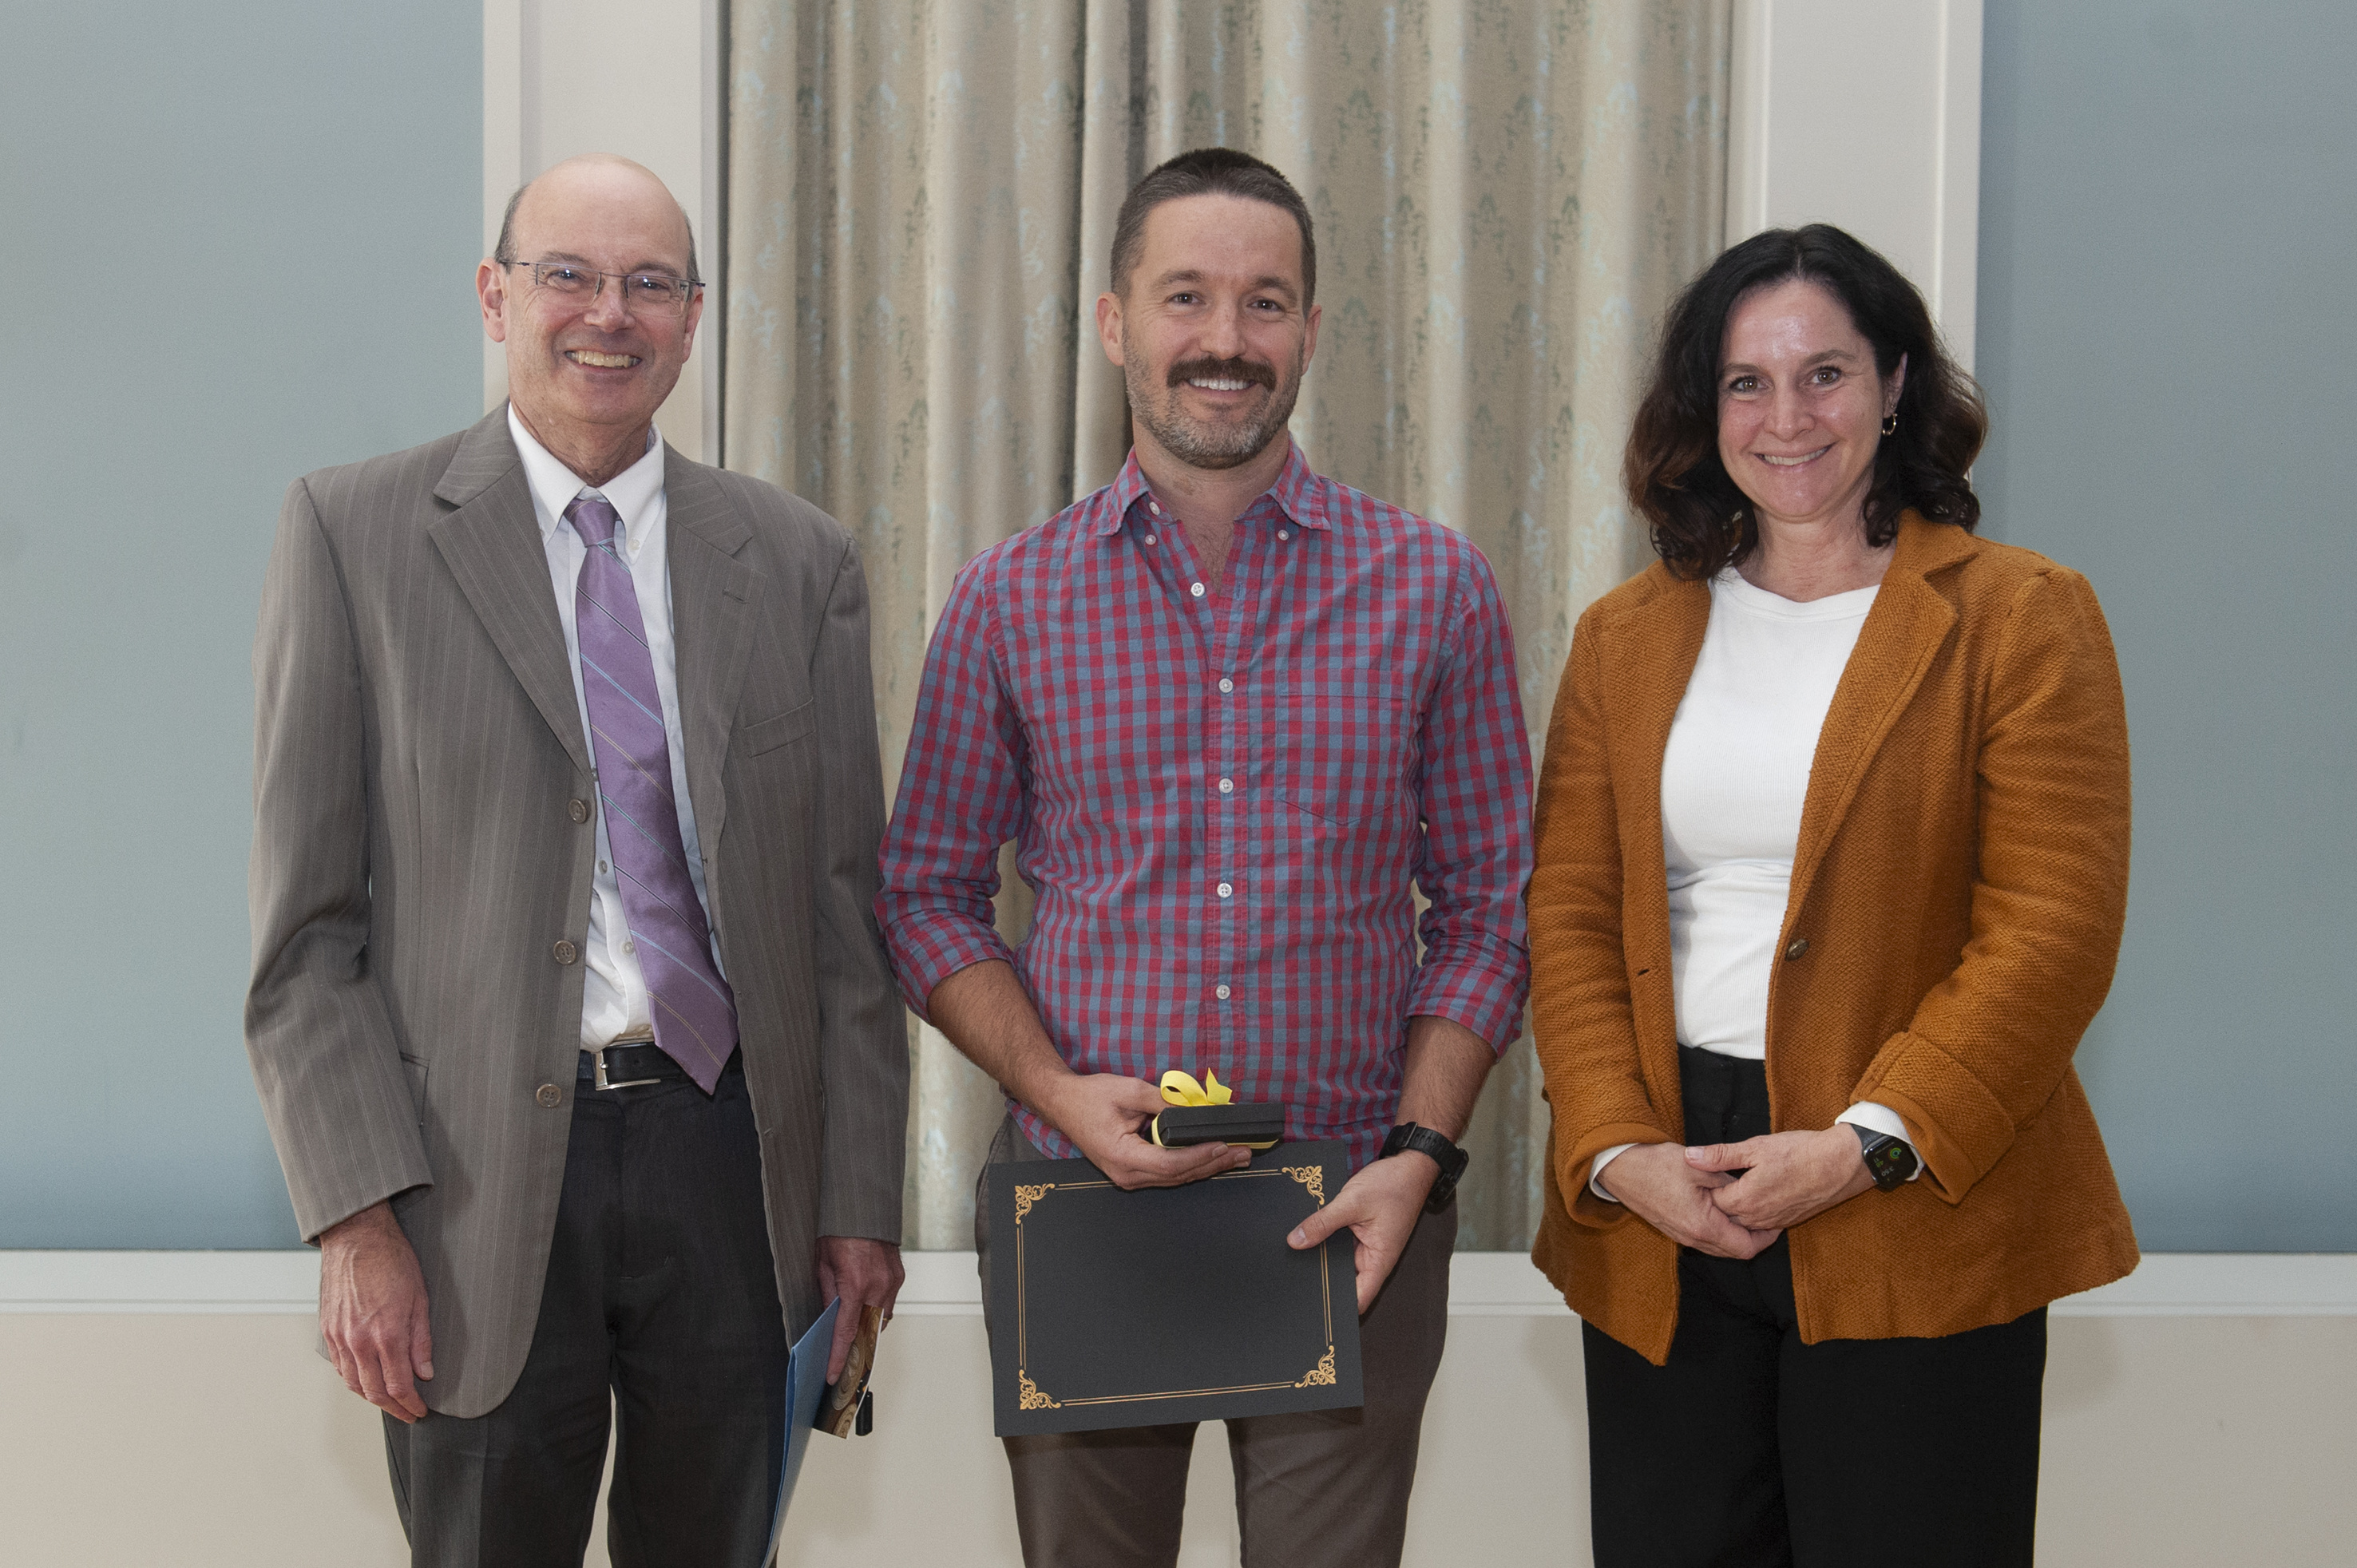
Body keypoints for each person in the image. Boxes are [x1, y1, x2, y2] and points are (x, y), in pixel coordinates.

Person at [245, 154, 909, 1566]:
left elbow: (844, 927)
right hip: (466, 1194)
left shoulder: (799, 566)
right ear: (496, 297)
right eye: (568, 276)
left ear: (692, 318)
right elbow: (306, 940)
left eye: (648, 284)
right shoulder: (353, 535)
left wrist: (858, 1213)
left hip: (734, 1174)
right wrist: (356, 1221)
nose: (607, 314)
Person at [875, 147, 1532, 1568]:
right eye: (1187, 298)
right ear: (1116, 323)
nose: (1225, 341)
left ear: (1309, 329)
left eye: (1265, 302)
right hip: (1085, 1205)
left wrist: (1418, 1156)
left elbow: (1491, 912)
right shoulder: (1007, 600)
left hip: (1353, 1208)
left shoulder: (1435, 589)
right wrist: (1051, 1087)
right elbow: (924, 895)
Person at [1527, 221, 2138, 1566]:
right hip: (1668, 1194)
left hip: (1910, 1190)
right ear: (1705, 406)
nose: (1786, 415)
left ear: (1897, 384)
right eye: (1747, 381)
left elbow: (2054, 930)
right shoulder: (1623, 638)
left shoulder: (2023, 617)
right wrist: (1620, 1151)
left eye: (1827, 373)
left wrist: (1864, 1142)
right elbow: (1567, 915)